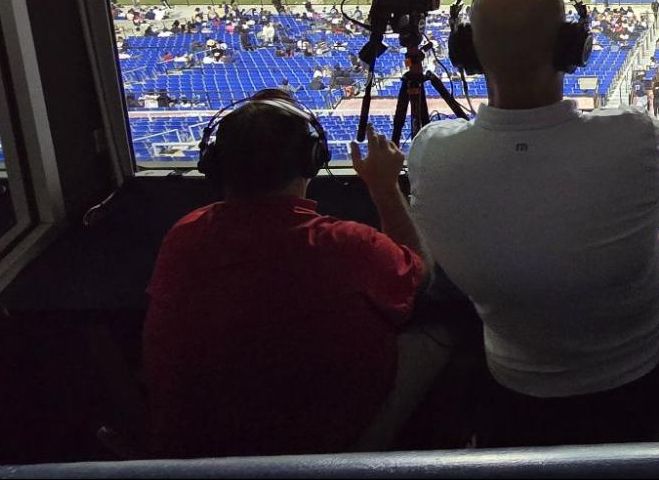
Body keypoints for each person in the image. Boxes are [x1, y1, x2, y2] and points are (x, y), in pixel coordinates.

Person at [406, 0, 659, 446]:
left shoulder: (430, 153)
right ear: (573, 49)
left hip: (513, 387)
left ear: (465, 52)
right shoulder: (635, 137)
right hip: (638, 378)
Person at [141, 90, 445, 457]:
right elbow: (420, 272)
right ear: (313, 159)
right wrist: (384, 187)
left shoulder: (184, 235)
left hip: (195, 460)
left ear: (216, 164)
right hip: (320, 458)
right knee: (439, 335)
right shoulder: (347, 245)